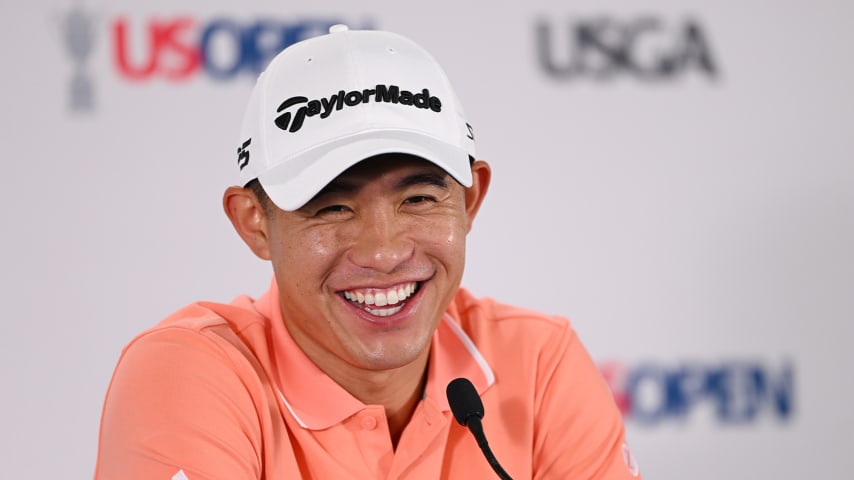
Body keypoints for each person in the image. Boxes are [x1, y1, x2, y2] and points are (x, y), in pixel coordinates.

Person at [94, 25, 641, 480]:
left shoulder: (539, 362)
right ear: (254, 222)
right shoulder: (193, 371)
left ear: (470, 200)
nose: (384, 252)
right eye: (331, 208)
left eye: (419, 198)